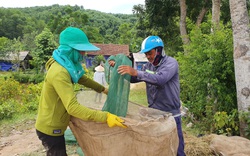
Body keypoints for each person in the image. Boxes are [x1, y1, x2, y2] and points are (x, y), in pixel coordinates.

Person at [35, 26, 126, 156]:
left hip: (55, 124)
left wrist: (103, 89)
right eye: (81, 51)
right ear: (70, 50)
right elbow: (72, 108)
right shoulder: (59, 72)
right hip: (50, 128)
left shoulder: (66, 65)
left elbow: (82, 78)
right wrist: (105, 116)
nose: (83, 54)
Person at [108, 36, 186, 156]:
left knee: (176, 148)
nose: (148, 57)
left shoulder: (171, 63)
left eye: (150, 53)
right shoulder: (148, 67)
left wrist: (136, 72)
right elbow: (134, 78)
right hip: (154, 114)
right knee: (157, 147)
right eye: (146, 55)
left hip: (171, 114)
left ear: (159, 51)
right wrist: (120, 68)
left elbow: (160, 79)